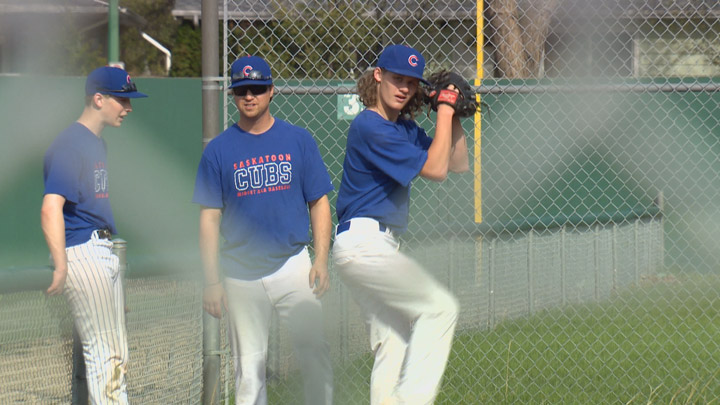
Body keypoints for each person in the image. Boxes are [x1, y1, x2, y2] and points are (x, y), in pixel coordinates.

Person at [193, 55, 334, 404]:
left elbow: (319, 202)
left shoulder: (298, 140)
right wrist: (211, 281)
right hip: (240, 273)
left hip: (293, 264)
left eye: (257, 88)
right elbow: (209, 218)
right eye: (242, 90)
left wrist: (321, 259)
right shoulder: (219, 150)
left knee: (315, 356)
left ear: (272, 91)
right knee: (248, 372)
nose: (249, 96)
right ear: (232, 94)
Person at [332, 44, 469, 405]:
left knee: (393, 343)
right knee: (440, 308)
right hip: (364, 244)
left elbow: (457, 163)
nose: (403, 88)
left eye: (411, 82)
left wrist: (452, 114)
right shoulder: (370, 125)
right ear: (378, 76)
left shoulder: (403, 129)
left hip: (371, 246)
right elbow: (436, 170)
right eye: (397, 78)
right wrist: (443, 109)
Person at [41, 66, 148, 404]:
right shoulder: (71, 144)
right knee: (107, 357)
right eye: (122, 100)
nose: (128, 107)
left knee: (113, 355)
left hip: (100, 251)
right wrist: (60, 264)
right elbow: (50, 207)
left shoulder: (95, 143)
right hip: (83, 251)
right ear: (98, 99)